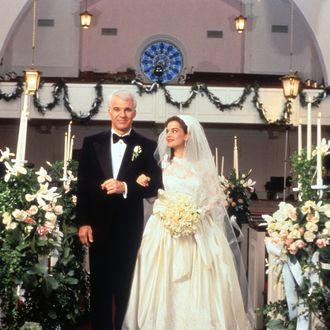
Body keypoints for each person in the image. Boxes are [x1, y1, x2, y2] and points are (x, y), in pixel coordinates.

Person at [122, 115, 252, 329]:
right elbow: (151, 193)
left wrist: (198, 213)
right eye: (167, 130)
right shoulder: (160, 167)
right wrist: (140, 182)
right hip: (164, 231)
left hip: (198, 229)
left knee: (202, 285)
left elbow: (215, 198)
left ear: (188, 135)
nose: (169, 134)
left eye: (174, 130)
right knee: (163, 281)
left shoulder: (201, 167)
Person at [76, 90, 162, 330]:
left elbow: (156, 184)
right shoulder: (91, 142)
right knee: (100, 287)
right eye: (117, 109)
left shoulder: (147, 146)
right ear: (109, 111)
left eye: (127, 110)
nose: (122, 114)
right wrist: (83, 222)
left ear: (134, 113)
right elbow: (82, 185)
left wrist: (125, 186)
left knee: (126, 286)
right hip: (97, 227)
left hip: (129, 228)